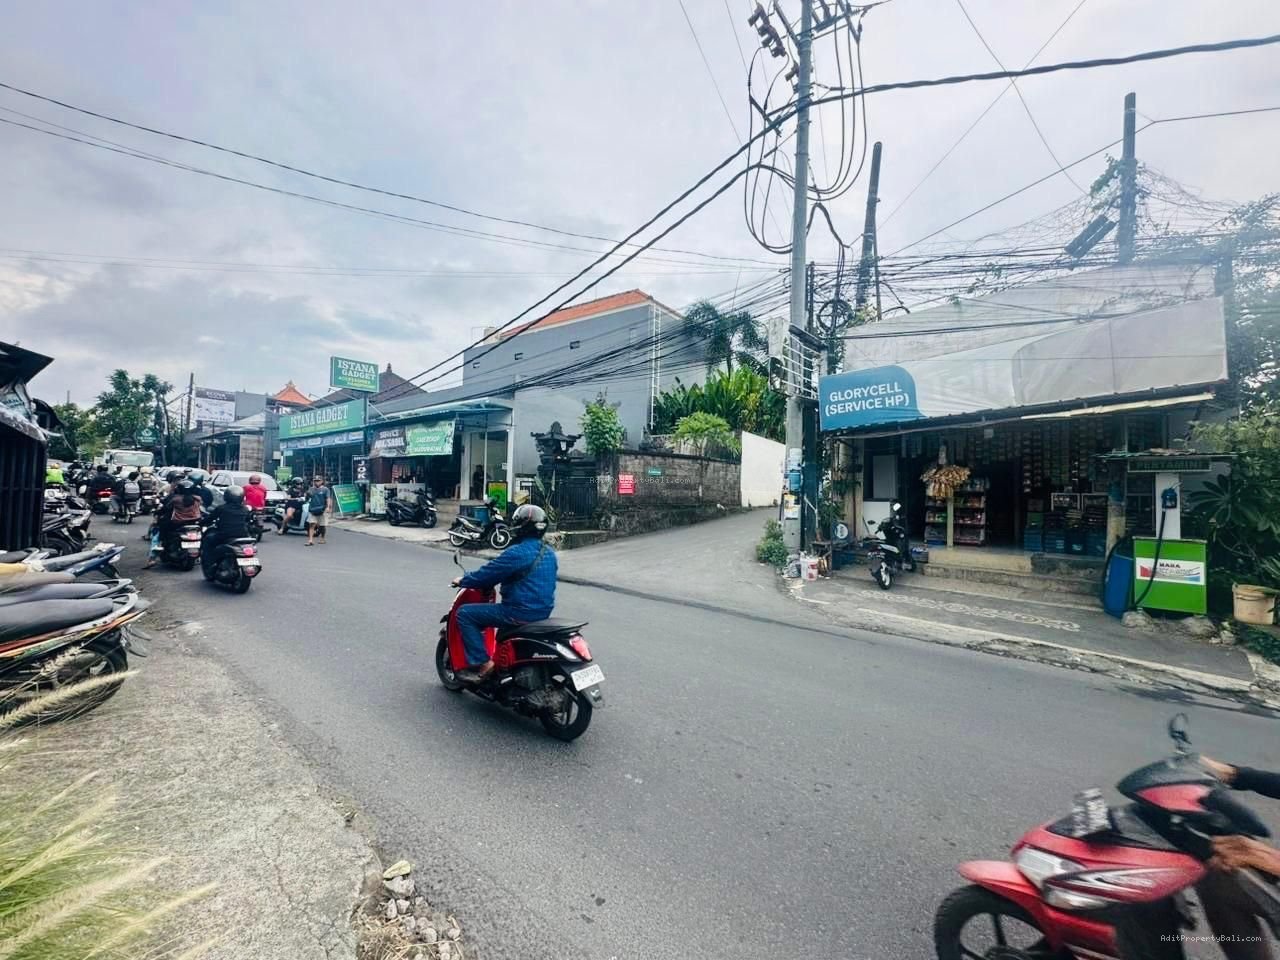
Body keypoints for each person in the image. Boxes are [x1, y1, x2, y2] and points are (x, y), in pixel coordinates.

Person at [449, 504, 556, 683]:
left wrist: (463, 580)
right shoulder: (550, 553)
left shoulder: (516, 553)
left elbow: (487, 574)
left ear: (520, 527)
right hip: (543, 612)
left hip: (517, 613)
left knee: (465, 614)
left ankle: (483, 663)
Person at [147, 478, 203, 567]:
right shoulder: (197, 499)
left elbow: (166, 508)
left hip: (177, 523)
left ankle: (153, 556)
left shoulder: (175, 499)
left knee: (159, 531)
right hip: (194, 523)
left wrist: (158, 512)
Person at [202, 484, 252, 555]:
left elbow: (210, 518)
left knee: (207, 540)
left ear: (226, 496)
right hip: (243, 535)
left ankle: (207, 561)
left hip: (225, 535)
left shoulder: (221, 508)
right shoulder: (245, 509)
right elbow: (248, 520)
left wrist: (200, 523)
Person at [305, 476, 331, 546]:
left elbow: (328, 498)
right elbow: (307, 499)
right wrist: (307, 495)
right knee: (312, 524)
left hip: (322, 509)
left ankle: (322, 538)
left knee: (322, 526)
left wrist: (328, 507)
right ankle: (310, 540)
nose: (316, 482)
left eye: (318, 481)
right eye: (315, 481)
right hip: (313, 509)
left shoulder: (325, 489)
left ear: (322, 481)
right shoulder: (311, 489)